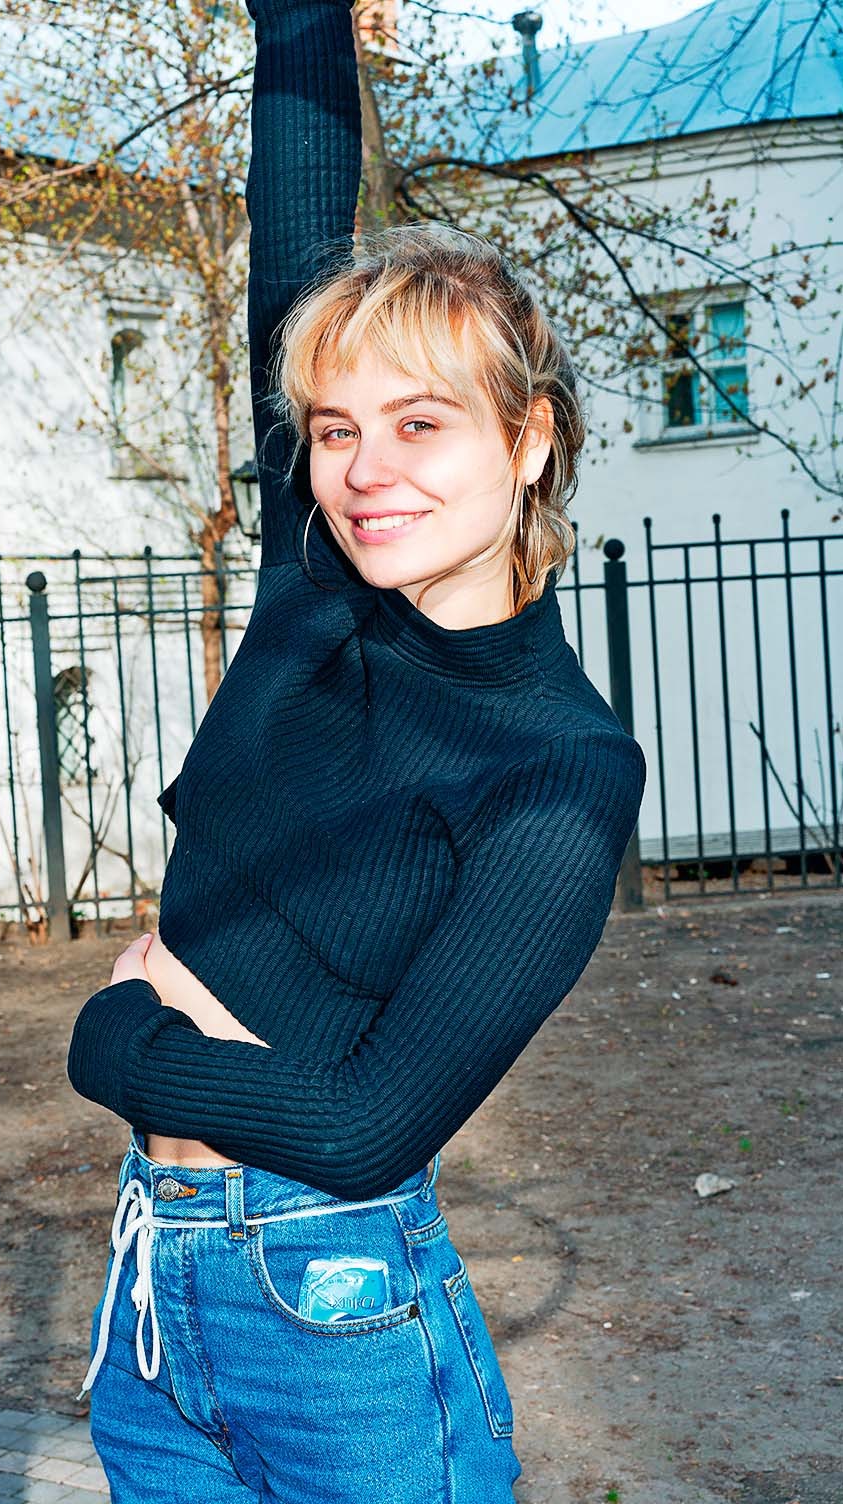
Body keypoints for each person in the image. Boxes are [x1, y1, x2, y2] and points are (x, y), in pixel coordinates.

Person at [66, 0, 647, 1496]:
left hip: (335, 1319)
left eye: (422, 425)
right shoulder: (313, 588)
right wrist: (306, 21)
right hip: (154, 1291)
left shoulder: (559, 769)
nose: (366, 469)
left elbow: (367, 1125)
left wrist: (121, 1049)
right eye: (334, 430)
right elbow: (298, 231)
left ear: (530, 438)